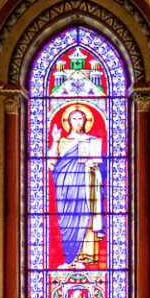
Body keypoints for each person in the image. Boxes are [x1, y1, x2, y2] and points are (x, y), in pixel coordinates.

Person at [48, 106, 105, 269]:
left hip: (85, 185)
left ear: (86, 121)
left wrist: (93, 165)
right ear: (69, 121)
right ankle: (69, 259)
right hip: (65, 187)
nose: (77, 122)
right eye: (74, 118)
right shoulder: (63, 141)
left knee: (85, 216)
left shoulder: (91, 140)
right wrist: (56, 139)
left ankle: (83, 258)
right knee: (66, 221)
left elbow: (101, 165)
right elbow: (52, 162)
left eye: (81, 118)